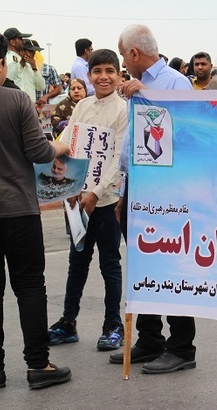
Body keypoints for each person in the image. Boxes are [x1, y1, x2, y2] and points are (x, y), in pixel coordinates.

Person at [0, 28, 72, 389]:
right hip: (20, 209)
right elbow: (39, 152)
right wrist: (61, 147)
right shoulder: (17, 100)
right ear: (0, 64)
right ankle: (39, 365)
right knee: (30, 285)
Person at [112, 24, 196, 374]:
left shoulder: (175, 82)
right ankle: (150, 339)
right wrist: (123, 193)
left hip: (166, 190)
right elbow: (134, 145)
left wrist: (149, 95)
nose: (123, 63)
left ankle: (182, 347)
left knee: (169, 264)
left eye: (123, 55)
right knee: (142, 266)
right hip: (137, 187)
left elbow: (188, 129)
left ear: (134, 53)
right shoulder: (135, 86)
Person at [47, 49, 127, 350]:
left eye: (109, 71)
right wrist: (47, 155)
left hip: (105, 202)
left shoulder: (122, 110)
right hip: (77, 199)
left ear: (118, 74)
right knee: (77, 262)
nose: (103, 77)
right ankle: (68, 322)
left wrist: (96, 193)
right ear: (89, 75)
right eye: (97, 71)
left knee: (110, 264)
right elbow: (67, 142)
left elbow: (118, 159)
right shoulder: (82, 105)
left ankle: (113, 325)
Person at [4, 27, 44, 102]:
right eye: (20, 39)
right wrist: (21, 63)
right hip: (15, 105)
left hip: (29, 106)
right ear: (12, 42)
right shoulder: (10, 61)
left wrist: (34, 68)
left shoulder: (30, 66)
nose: (23, 41)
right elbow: (6, 85)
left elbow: (41, 87)